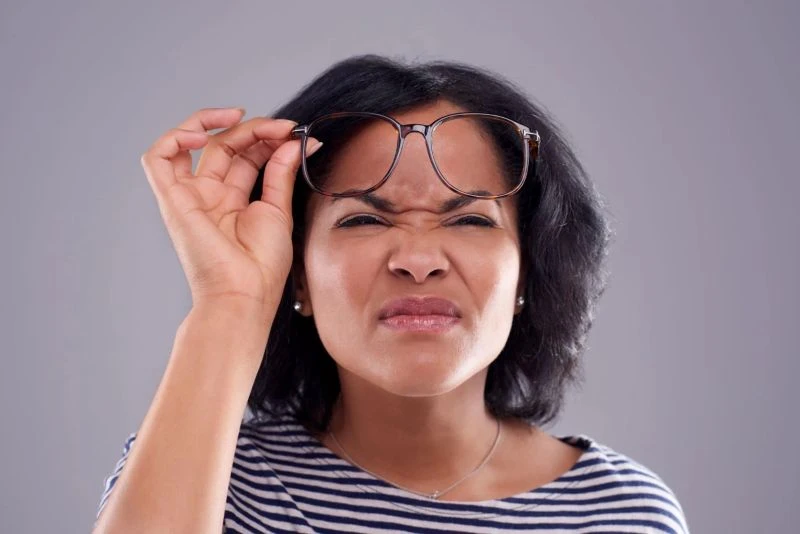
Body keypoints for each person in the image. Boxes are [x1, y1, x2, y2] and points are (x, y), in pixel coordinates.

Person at [92, 54, 689, 533]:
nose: (419, 261)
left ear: (527, 273)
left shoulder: (623, 512)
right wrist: (229, 302)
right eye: (363, 220)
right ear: (297, 273)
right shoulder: (205, 476)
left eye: (470, 221)